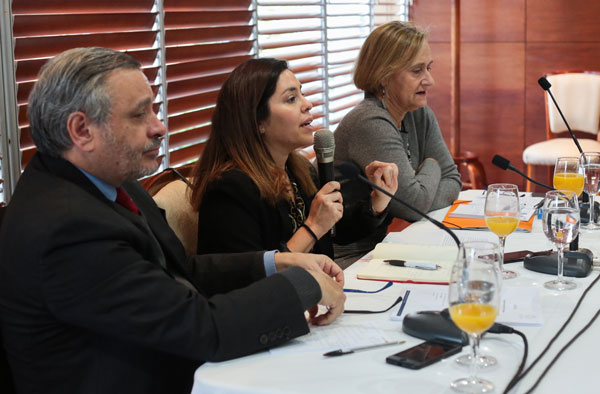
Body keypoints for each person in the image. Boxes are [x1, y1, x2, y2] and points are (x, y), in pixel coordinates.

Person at [0, 47, 346, 394]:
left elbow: (180, 272)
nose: (159, 127)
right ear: (82, 130)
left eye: (154, 109)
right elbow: (200, 329)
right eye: (139, 116)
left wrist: (277, 262)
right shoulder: (67, 227)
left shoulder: (115, 183)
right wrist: (304, 285)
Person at [189, 58, 398, 265]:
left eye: (302, 94)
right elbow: (251, 278)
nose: (307, 104)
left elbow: (334, 230)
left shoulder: (298, 169)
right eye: (291, 99)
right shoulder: (229, 188)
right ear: (257, 120)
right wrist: (313, 227)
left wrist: (376, 201)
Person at [333, 21, 462, 265]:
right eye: (417, 71)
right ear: (383, 76)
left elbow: (453, 180)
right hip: (351, 258)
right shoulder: (369, 121)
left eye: (428, 68)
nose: (429, 80)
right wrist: (432, 164)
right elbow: (413, 205)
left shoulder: (418, 113)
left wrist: (418, 196)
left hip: (394, 245)